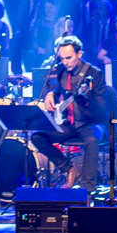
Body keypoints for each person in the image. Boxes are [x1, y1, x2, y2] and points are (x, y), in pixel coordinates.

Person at [31, 36, 108, 192]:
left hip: (91, 122)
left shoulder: (95, 73)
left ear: (79, 54)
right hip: (69, 123)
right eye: (62, 58)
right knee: (37, 137)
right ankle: (69, 169)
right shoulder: (62, 70)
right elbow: (59, 89)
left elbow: (101, 106)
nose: (65, 62)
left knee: (92, 141)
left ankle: (87, 189)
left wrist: (86, 99)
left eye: (69, 58)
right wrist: (51, 93)